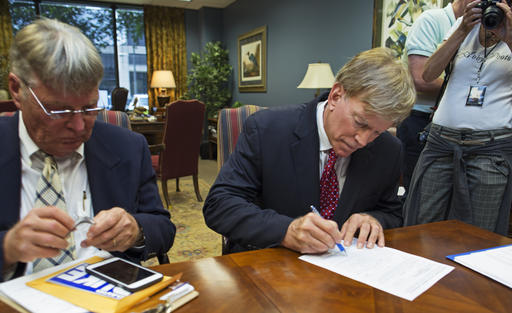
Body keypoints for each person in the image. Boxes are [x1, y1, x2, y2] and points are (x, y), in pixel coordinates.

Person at [0, 18, 175, 281]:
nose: (80, 126)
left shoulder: (127, 146)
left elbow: (162, 227)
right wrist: (8, 247)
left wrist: (136, 229)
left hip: (108, 295)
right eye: (60, 110)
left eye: (90, 107)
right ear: (17, 90)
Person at [203, 47, 416, 254]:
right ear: (336, 95)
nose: (363, 140)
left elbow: (392, 213)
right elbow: (219, 204)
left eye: (377, 132)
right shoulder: (266, 129)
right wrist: (285, 230)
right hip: (268, 263)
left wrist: (373, 219)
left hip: (345, 273)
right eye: (360, 123)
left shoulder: (388, 150)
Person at [404, 0, 512, 235]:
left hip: (489, 151)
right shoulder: (465, 26)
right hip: (440, 143)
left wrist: (509, 36)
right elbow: (428, 73)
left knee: (477, 234)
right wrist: (462, 29)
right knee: (422, 224)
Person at [397, 0, 466, 192]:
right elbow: (420, 79)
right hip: (421, 121)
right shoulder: (432, 20)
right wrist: (466, 91)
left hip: (456, 126)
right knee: (419, 196)